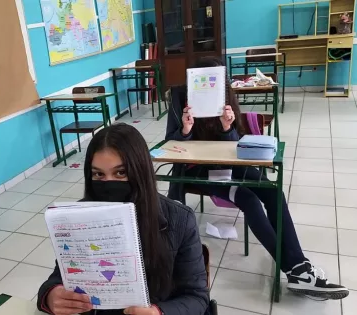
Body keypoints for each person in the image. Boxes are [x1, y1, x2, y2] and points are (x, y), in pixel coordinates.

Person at [166, 56, 348, 300]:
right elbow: (171, 144)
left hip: (226, 163)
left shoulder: (226, 97)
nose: (210, 86)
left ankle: (298, 267)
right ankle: (296, 271)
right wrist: (185, 131)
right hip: (195, 168)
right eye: (202, 81)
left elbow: (235, 146)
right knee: (250, 200)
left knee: (273, 191)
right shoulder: (179, 98)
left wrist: (227, 127)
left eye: (216, 81)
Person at [37, 123, 210, 315]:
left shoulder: (180, 220)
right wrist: (50, 295)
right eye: (98, 174)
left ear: (140, 172)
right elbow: (61, 275)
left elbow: (197, 298)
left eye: (121, 173)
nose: (108, 183)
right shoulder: (79, 217)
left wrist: (159, 313)